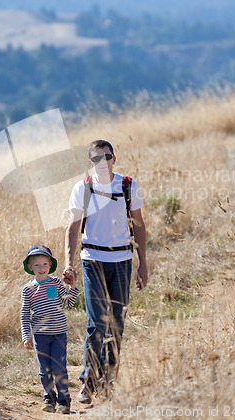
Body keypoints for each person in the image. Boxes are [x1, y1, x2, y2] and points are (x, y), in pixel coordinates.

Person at [63, 139, 148, 404]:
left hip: (122, 261)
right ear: (91, 162)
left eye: (107, 156)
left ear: (114, 158)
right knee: (96, 323)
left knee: (117, 325)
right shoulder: (83, 188)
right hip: (92, 260)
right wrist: (68, 263)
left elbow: (140, 225)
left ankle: (108, 382)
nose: (103, 162)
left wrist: (143, 263)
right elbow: (73, 228)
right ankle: (88, 382)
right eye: (96, 158)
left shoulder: (127, 186)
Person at [21, 244, 78, 414]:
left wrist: (73, 287)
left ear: (50, 265)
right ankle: (49, 397)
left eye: (45, 264)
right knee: (44, 369)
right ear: (30, 267)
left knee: (59, 367)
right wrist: (27, 336)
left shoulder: (55, 283)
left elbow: (68, 303)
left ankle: (64, 400)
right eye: (37, 265)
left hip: (59, 333)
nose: (41, 268)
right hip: (40, 336)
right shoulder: (28, 289)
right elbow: (24, 314)